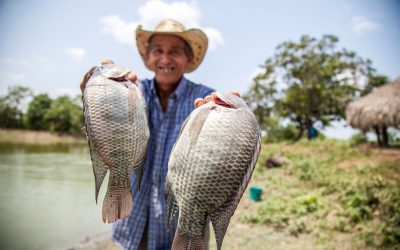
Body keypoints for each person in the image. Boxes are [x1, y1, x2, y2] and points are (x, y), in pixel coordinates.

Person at [80, 19, 236, 249]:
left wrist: (228, 118)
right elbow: (104, 124)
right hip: (131, 225)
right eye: (158, 51)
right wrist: (94, 90)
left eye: (174, 52)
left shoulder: (204, 102)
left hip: (180, 230)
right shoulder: (132, 90)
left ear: (188, 59)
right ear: (148, 58)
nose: (165, 59)